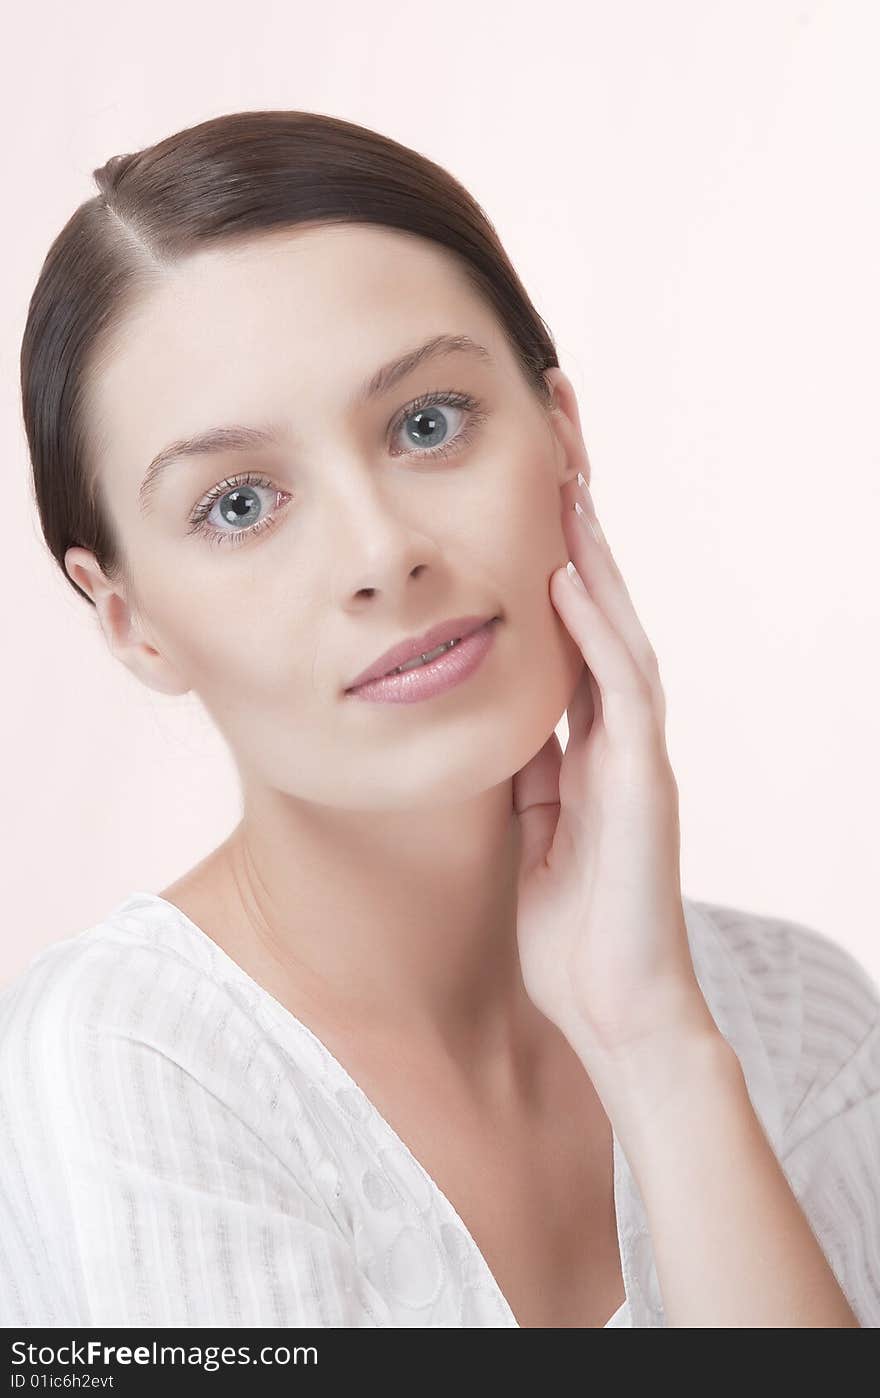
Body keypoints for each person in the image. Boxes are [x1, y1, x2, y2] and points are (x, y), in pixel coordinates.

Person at [2, 110, 879, 1329]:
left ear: (560, 433)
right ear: (129, 620)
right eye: (240, 503)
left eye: (428, 423)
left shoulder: (801, 1017)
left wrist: (659, 1054)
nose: (379, 554)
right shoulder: (133, 1065)